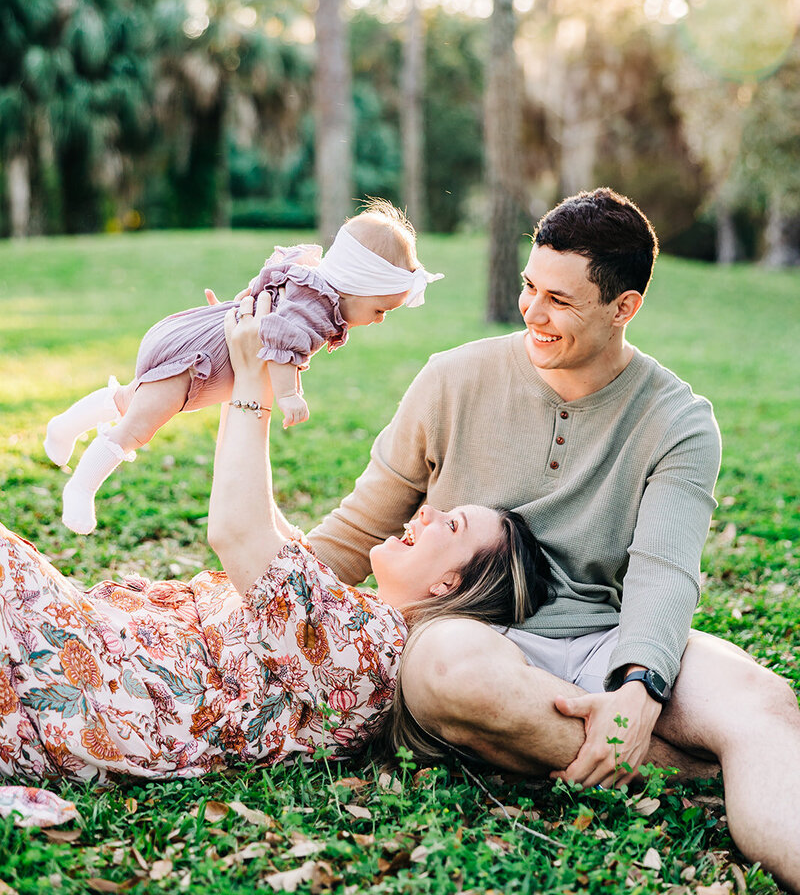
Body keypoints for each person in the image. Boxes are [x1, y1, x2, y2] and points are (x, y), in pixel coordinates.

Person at [307, 188, 800, 892]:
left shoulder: (679, 421)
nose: (533, 313)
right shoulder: (452, 379)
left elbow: (664, 571)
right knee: (451, 672)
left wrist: (639, 686)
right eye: (529, 287)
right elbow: (360, 526)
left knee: (762, 702)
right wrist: (247, 596)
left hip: (610, 639)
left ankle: (714, 769)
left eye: (560, 301)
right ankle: (687, 773)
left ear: (623, 306)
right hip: (479, 637)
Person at [0, 290, 551, 789]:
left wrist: (254, 380)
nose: (428, 514)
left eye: (450, 526)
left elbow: (238, 532)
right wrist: (234, 363)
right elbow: (258, 516)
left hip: (81, 694)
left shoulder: (371, 652)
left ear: (449, 582)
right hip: (74, 651)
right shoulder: (346, 608)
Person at [44, 199, 442, 536]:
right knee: (139, 424)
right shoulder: (313, 306)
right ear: (355, 284)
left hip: (206, 345)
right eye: (379, 309)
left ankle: (64, 426)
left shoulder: (309, 287)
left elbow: (264, 295)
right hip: (201, 360)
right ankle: (81, 488)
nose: (380, 319)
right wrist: (290, 395)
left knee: (131, 398)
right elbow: (280, 344)